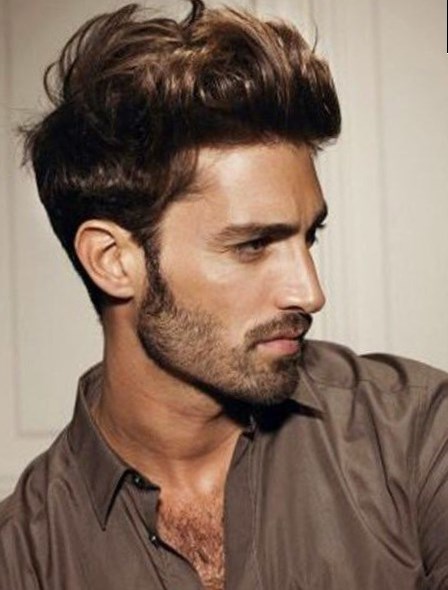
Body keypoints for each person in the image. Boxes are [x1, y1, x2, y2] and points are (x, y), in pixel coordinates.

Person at [1, 0, 447, 588]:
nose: (310, 292)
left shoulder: (415, 437)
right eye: (253, 245)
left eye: (309, 236)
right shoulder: (23, 558)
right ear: (113, 261)